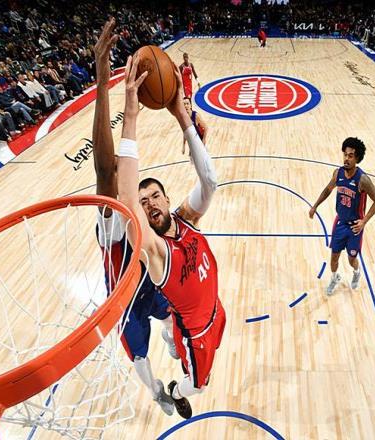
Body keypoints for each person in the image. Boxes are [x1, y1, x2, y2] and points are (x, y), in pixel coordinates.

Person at [116, 55, 225, 420]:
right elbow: (126, 198)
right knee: (198, 385)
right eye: (144, 202)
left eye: (155, 197)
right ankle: (176, 390)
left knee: (201, 356)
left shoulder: (186, 218)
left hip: (217, 310)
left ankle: (174, 347)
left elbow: (210, 182)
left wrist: (182, 117)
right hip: (195, 332)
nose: (150, 204)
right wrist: (131, 117)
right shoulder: (156, 252)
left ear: (166, 198)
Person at [91, 18, 176, 416]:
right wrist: (103, 81)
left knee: (172, 314)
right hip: (125, 302)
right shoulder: (112, 226)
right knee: (141, 358)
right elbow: (104, 170)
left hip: (150, 285)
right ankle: (157, 391)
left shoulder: (142, 215)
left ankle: (170, 337)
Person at [309, 138, 375, 295]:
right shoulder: (338, 173)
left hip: (355, 227)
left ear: (357, 158)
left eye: (350, 156)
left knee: (351, 259)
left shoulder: (363, 179)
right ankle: (335, 277)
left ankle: (357, 272)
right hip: (340, 223)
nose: (346, 159)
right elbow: (328, 190)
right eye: (345, 155)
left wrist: (364, 221)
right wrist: (315, 206)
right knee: (334, 257)